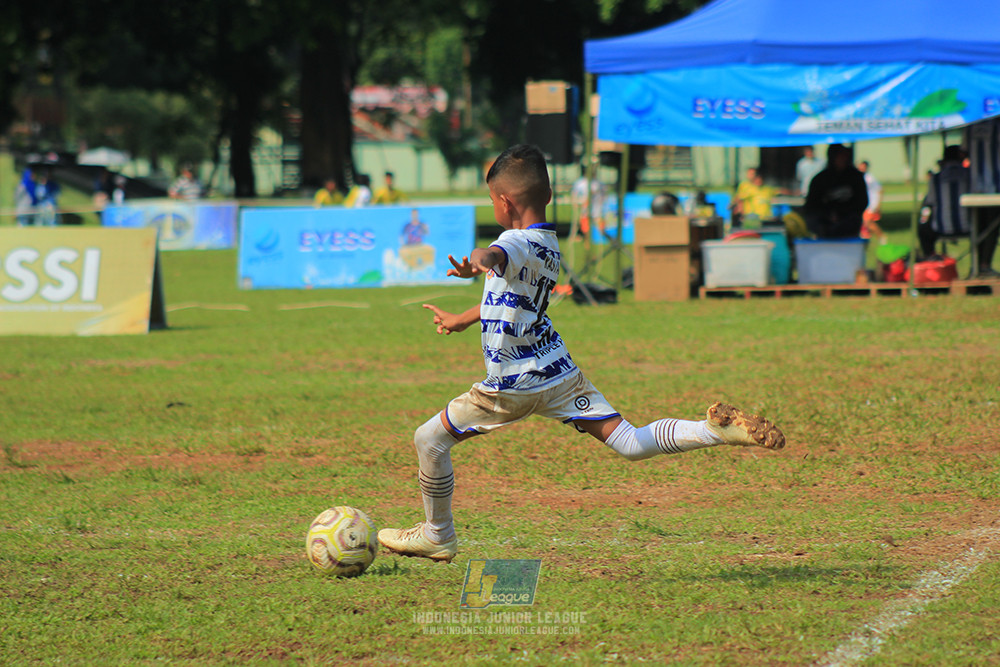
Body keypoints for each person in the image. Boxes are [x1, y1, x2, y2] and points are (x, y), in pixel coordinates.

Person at [376, 144, 786, 563]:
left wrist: (481, 258)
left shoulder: (511, 242)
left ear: (504, 202)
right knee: (629, 441)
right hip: (557, 372)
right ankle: (713, 432)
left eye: (490, 200)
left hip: (511, 385)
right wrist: (466, 316)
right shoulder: (548, 244)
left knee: (428, 439)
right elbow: (514, 298)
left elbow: (497, 255)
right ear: (547, 196)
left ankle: (437, 533)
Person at [917, 144, 998, 274]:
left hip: (940, 228)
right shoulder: (971, 175)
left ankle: (930, 260)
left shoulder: (936, 178)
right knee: (988, 224)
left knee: (922, 226)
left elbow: (929, 202)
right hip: (969, 227)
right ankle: (983, 265)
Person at [803, 144, 868, 239]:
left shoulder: (856, 177)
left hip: (849, 226)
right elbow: (811, 205)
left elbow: (862, 202)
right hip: (824, 227)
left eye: (845, 157)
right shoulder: (820, 179)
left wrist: (843, 214)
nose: (843, 160)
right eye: (840, 156)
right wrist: (828, 215)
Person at [857, 160, 886, 242]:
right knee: (864, 222)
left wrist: (878, 204)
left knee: (868, 222)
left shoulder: (869, 178)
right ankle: (866, 237)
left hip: (871, 204)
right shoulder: (859, 177)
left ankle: (882, 236)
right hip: (864, 204)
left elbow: (880, 190)